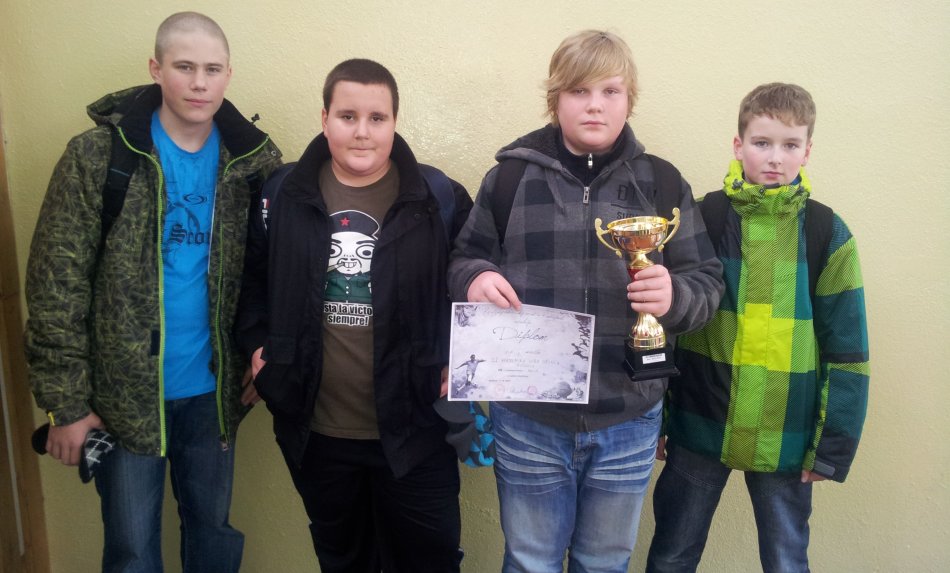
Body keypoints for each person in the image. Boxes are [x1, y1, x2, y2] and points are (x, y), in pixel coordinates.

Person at [447, 30, 723, 573]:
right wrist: (475, 278)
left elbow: (708, 282)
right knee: (531, 560)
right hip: (529, 418)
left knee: (604, 562)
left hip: (630, 416)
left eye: (610, 91)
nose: (595, 104)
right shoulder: (509, 179)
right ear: (555, 99)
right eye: (579, 91)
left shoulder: (663, 184)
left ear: (629, 100)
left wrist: (675, 296)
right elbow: (463, 259)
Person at [24, 12, 282, 572]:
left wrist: (263, 355)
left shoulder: (252, 165)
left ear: (228, 75)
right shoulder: (97, 157)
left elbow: (273, 275)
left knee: (213, 534)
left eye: (212, 69)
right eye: (184, 67)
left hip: (213, 394)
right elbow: (55, 284)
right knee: (132, 550)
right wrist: (66, 403)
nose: (199, 83)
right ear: (156, 68)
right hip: (123, 397)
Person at [236, 58, 473, 573]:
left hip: (416, 429)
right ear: (325, 119)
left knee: (429, 561)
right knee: (343, 560)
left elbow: (470, 283)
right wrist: (257, 347)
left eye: (376, 118)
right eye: (347, 116)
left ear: (394, 122)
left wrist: (463, 360)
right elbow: (252, 280)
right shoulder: (283, 194)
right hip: (316, 433)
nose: (362, 132)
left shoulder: (437, 197)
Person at [646, 83, 870, 572]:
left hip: (787, 436)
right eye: (762, 142)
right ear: (738, 144)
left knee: (786, 559)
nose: (775, 157)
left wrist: (831, 445)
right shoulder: (702, 218)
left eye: (790, 145)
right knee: (672, 553)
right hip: (699, 423)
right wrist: (658, 418)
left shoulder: (827, 233)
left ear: (807, 151)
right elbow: (667, 325)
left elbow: (848, 351)